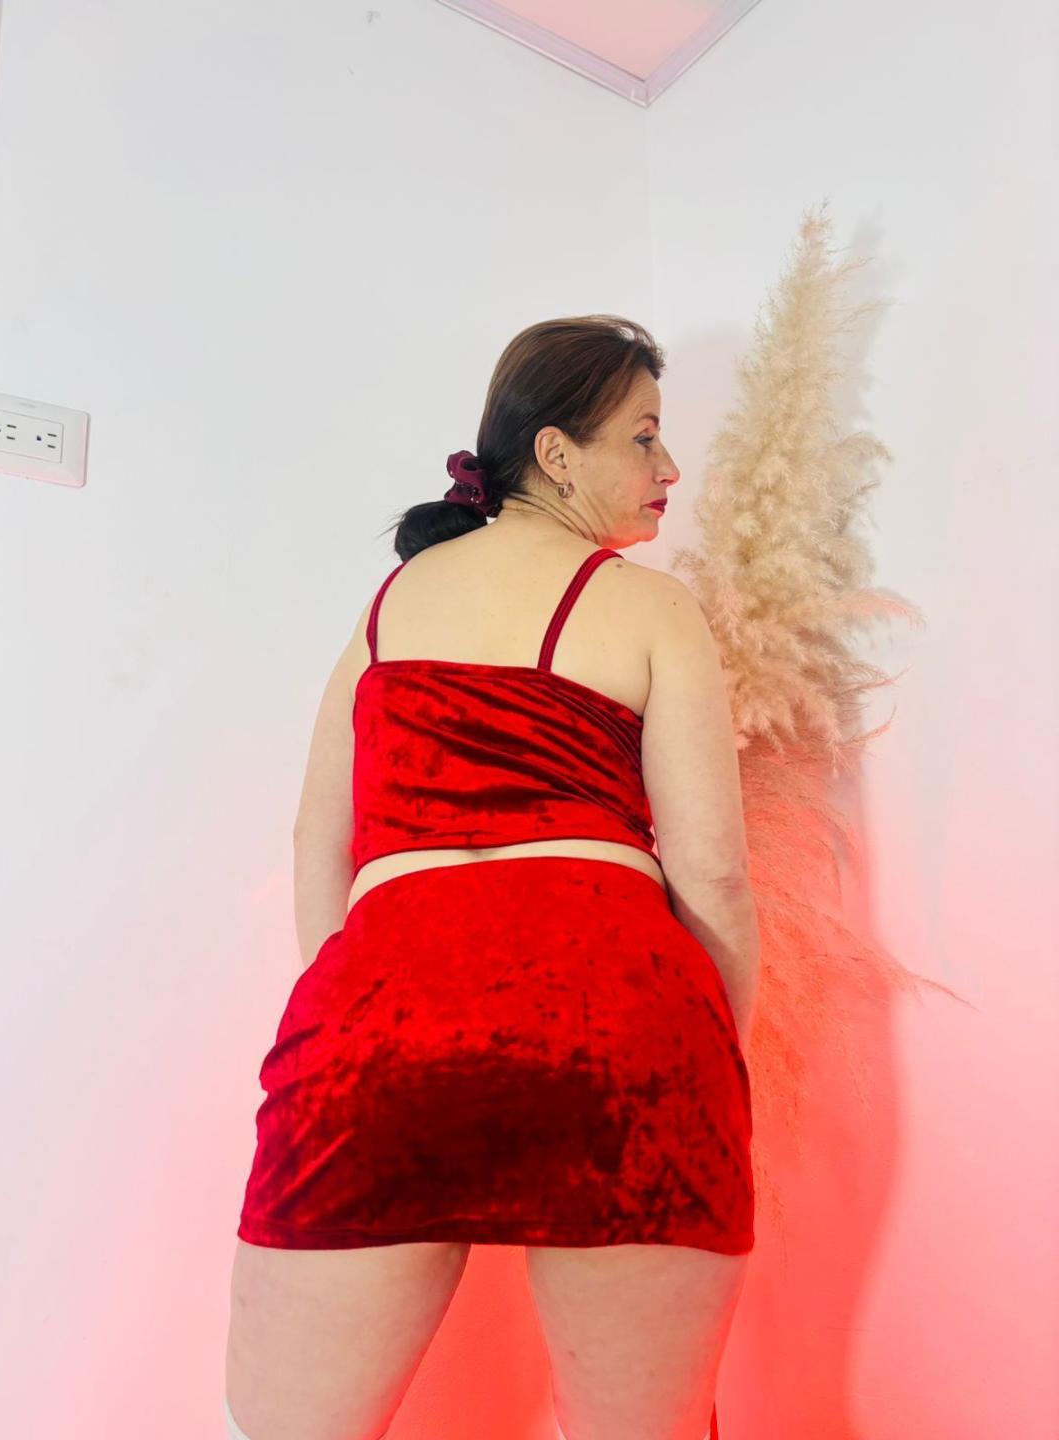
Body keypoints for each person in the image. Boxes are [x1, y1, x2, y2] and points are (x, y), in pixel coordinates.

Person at [224, 315, 761, 1440]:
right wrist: (718, 1057)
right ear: (557, 453)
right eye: (644, 436)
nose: (670, 467)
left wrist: (357, 1004)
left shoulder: (391, 604)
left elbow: (318, 838)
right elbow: (712, 870)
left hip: (386, 1021)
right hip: (620, 1026)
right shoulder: (653, 607)